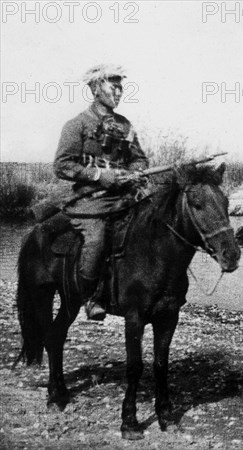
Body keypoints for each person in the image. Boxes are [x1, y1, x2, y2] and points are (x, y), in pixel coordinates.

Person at [54, 64, 149, 320]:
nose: (119, 92)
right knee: (96, 240)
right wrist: (99, 175)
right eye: (113, 86)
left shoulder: (125, 125)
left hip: (123, 198)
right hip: (90, 201)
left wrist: (136, 171)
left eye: (121, 87)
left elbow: (140, 159)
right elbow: (62, 166)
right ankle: (89, 296)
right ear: (96, 88)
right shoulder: (77, 125)